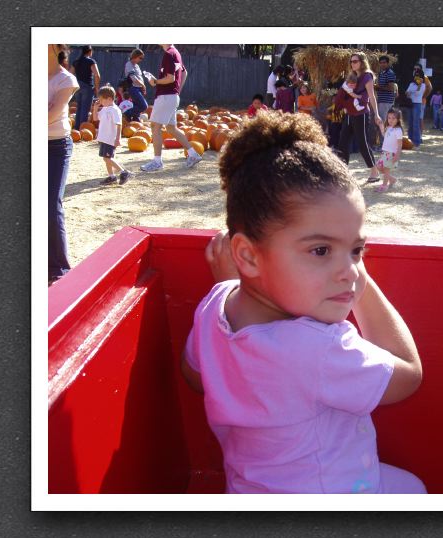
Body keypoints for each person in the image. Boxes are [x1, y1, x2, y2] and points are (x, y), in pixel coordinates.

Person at [182, 112, 426, 494]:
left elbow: (196, 375)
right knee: (415, 490)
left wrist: (234, 283)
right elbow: (409, 375)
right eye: (321, 250)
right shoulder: (320, 347)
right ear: (246, 256)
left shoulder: (215, 304)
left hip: (250, 492)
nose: (347, 270)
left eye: (357, 251)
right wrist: (364, 285)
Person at [140, 44, 202, 171]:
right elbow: (184, 73)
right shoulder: (176, 53)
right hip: (172, 96)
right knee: (171, 128)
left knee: (155, 126)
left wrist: (155, 81)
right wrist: (177, 91)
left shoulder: (169, 54)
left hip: (165, 96)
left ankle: (157, 162)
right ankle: (193, 154)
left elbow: (170, 78)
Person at [48, 44, 79, 285]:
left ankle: (59, 270)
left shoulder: (66, 79)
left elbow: (49, 116)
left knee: (50, 204)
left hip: (55, 147)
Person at [336, 52, 382, 183]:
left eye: (355, 61)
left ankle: (374, 171)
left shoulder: (367, 76)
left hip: (361, 114)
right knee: (343, 142)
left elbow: (371, 96)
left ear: (362, 62)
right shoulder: (352, 75)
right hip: (349, 113)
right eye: (351, 61)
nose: (352, 63)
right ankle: (342, 172)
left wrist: (376, 114)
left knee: (362, 143)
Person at [91, 85, 132, 186]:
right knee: (106, 158)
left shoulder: (115, 110)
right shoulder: (105, 108)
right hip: (104, 138)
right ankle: (111, 176)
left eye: (101, 100)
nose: (100, 102)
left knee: (108, 158)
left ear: (109, 99)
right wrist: (95, 109)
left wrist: (118, 139)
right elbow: (95, 119)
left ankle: (124, 172)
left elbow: (119, 124)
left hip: (111, 139)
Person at [71, 45, 100, 131]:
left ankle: (76, 128)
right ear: (90, 52)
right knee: (85, 109)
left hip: (77, 86)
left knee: (79, 107)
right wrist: (97, 88)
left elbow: (70, 75)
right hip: (87, 86)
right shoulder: (91, 61)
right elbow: (97, 75)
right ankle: (82, 130)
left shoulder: (76, 62)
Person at [374, 108, 403, 193]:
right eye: (389, 118)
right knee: (378, 167)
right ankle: (392, 179)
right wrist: (380, 125)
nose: (391, 120)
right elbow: (384, 134)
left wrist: (397, 155)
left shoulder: (398, 130)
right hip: (385, 152)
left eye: (393, 118)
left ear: (398, 119)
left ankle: (384, 186)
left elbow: (400, 144)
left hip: (392, 154)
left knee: (386, 170)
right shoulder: (389, 127)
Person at [374, 55, 398, 142]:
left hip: (386, 101)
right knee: (382, 122)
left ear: (388, 63)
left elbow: (391, 88)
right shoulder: (381, 73)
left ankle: (383, 144)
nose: (382, 64)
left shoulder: (390, 73)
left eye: (384, 62)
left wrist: (378, 87)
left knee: (383, 122)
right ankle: (383, 142)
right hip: (381, 100)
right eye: (381, 63)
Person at [123, 48, 148, 123]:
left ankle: (135, 120)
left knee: (136, 105)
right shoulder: (129, 64)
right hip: (133, 88)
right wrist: (143, 85)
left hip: (138, 88)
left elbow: (139, 77)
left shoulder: (137, 66)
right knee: (144, 106)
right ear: (135, 56)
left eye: (142, 58)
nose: (141, 60)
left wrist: (142, 87)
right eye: (140, 58)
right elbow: (133, 78)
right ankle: (126, 113)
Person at [405, 75, 425, 147]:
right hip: (410, 103)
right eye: (416, 76)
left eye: (418, 76)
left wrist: (418, 85)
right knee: (410, 122)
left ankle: (417, 142)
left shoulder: (423, 85)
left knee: (416, 123)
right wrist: (410, 92)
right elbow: (407, 93)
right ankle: (410, 140)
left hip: (417, 104)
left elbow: (417, 94)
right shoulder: (411, 84)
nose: (416, 78)